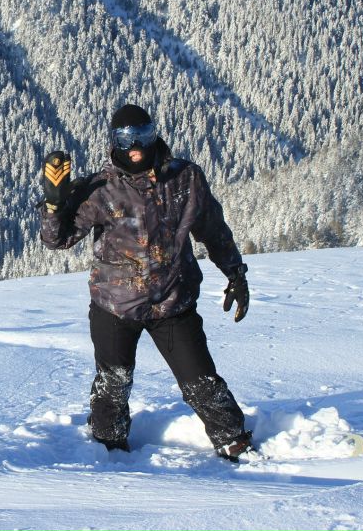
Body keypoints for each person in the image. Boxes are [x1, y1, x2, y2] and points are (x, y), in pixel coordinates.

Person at [39, 104, 254, 461]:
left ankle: (234, 440)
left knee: (201, 381)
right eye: (125, 138)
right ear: (114, 141)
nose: (134, 145)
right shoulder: (101, 189)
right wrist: (53, 206)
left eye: (141, 135)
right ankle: (107, 449)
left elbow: (213, 230)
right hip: (115, 306)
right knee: (113, 385)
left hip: (173, 302)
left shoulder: (185, 179)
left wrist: (235, 273)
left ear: (154, 134)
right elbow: (58, 240)